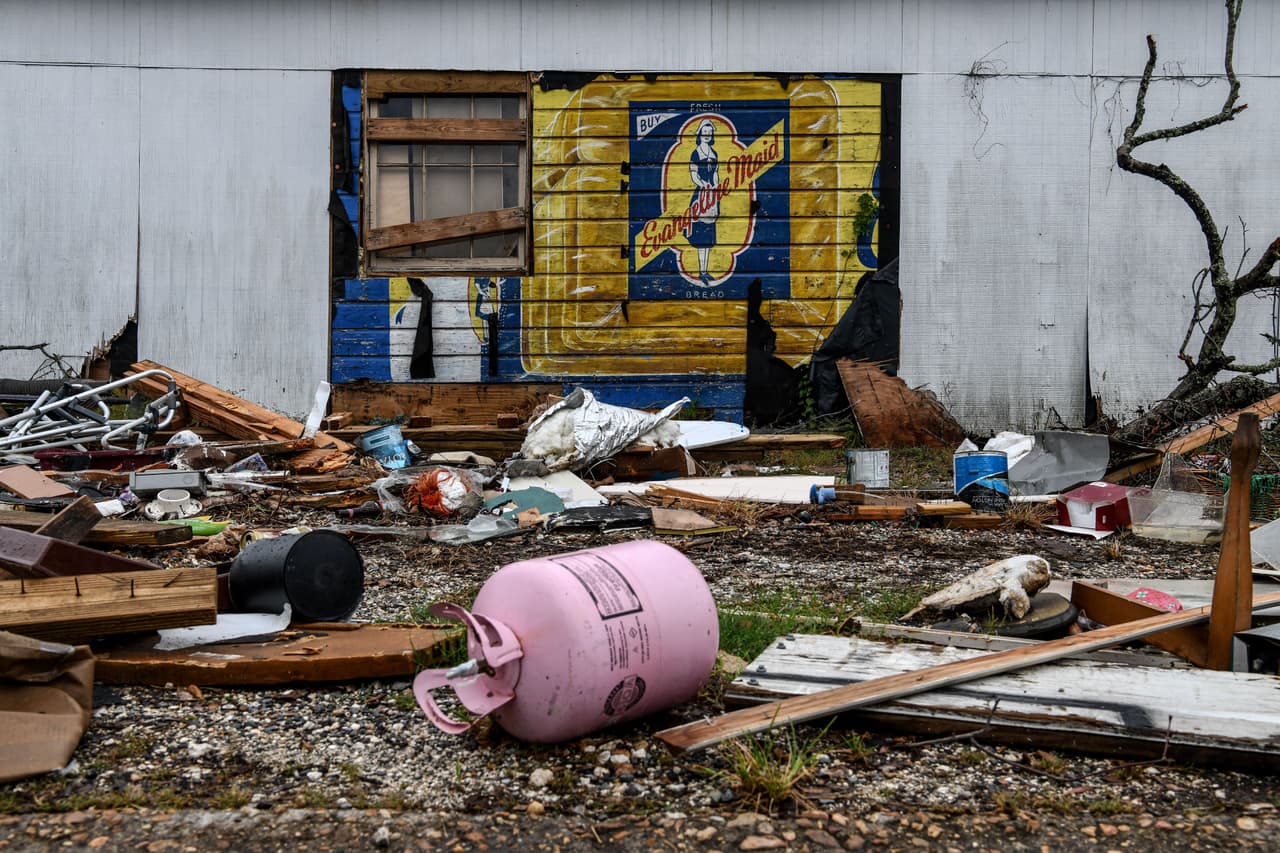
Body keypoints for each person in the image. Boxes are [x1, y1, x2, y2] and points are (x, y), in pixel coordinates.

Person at [684, 119, 719, 285]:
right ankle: (701, 272)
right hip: (701, 197)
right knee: (701, 237)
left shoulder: (714, 153)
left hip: (711, 196)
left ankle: (705, 272)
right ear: (700, 133)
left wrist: (716, 185)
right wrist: (703, 184)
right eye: (704, 131)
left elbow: (715, 174)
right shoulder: (695, 152)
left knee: (708, 236)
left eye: (709, 132)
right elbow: (693, 174)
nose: (707, 134)